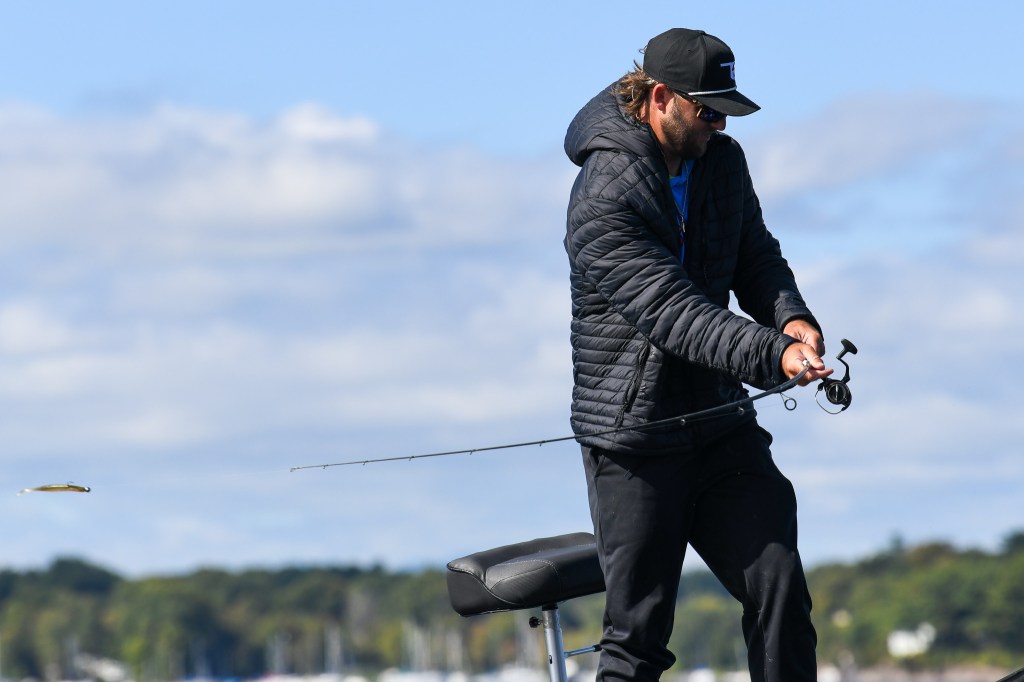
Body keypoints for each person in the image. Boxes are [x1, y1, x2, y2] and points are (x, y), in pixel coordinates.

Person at [563, 28, 832, 682]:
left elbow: (755, 256)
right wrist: (776, 356)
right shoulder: (603, 197)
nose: (720, 125)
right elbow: (676, 315)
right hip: (635, 441)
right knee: (639, 639)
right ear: (660, 98)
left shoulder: (722, 162)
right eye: (708, 112)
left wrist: (792, 318)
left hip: (719, 426)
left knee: (780, 591)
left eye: (726, 113)